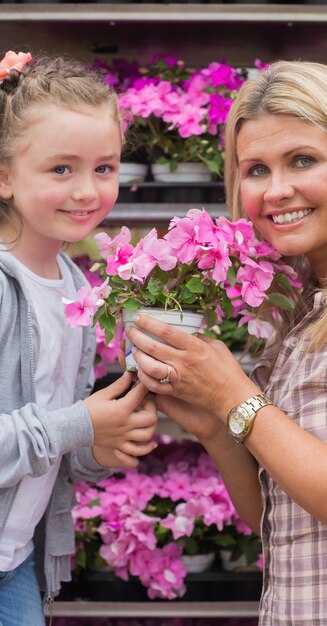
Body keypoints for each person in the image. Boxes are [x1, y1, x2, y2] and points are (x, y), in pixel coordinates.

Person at [126, 60, 327, 625]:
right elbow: (276, 515)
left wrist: (234, 393)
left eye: (302, 161)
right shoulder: (306, 300)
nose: (277, 190)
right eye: (255, 169)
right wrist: (212, 418)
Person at [0, 51, 158, 625]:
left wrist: (102, 445)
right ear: (4, 176)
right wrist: (83, 424)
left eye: (106, 167)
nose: (88, 191)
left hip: (17, 561)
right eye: (61, 170)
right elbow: (61, 424)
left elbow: (54, 445)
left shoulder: (74, 286)